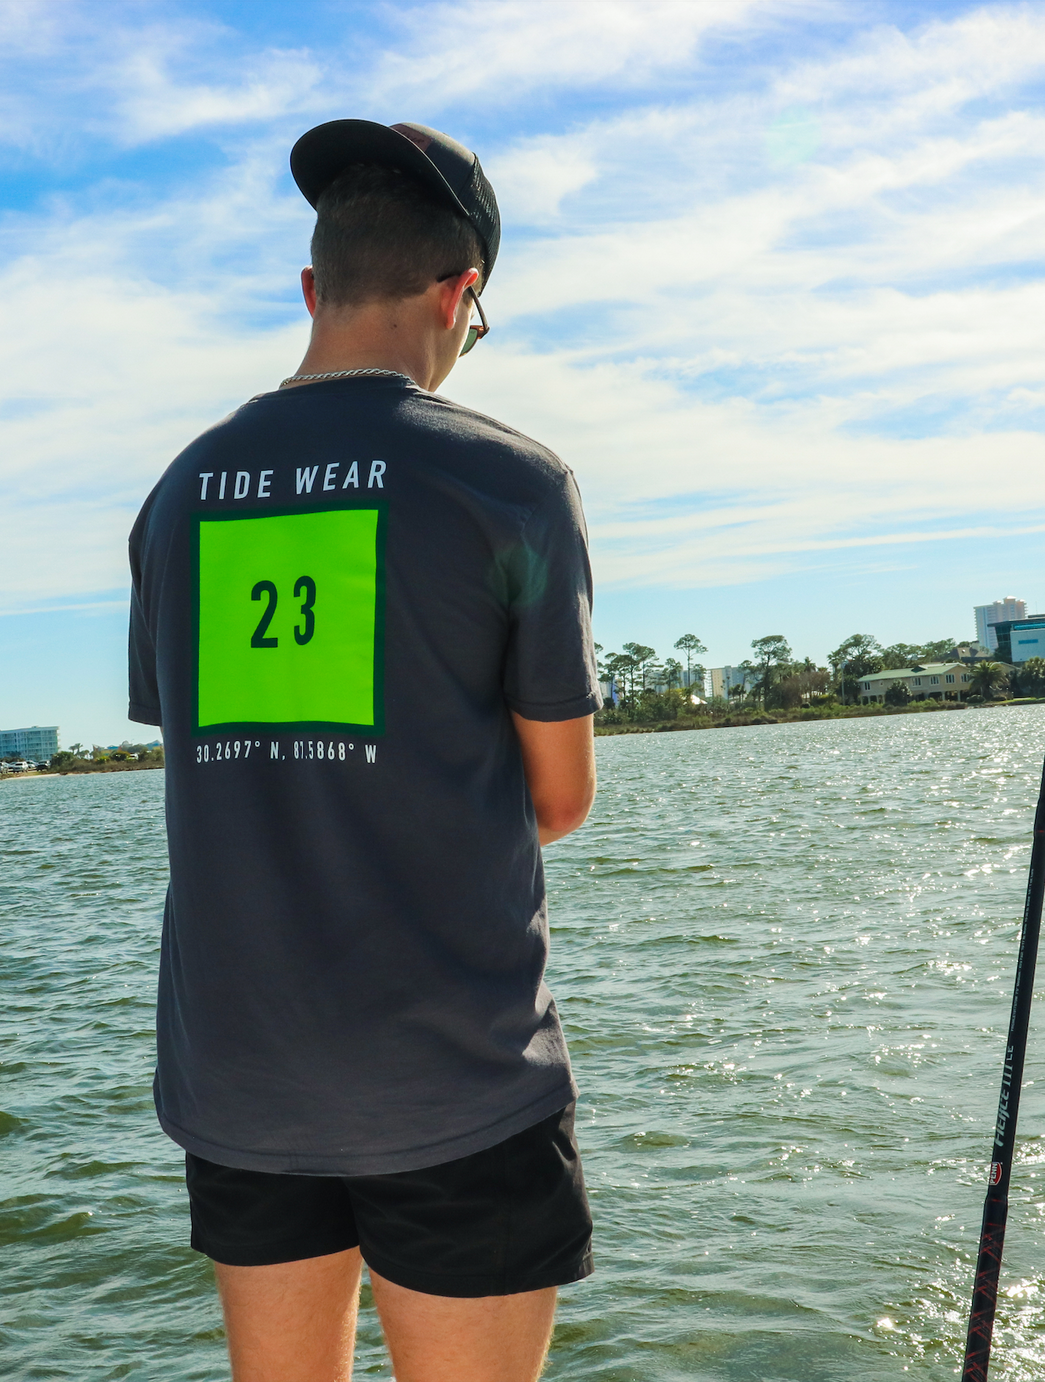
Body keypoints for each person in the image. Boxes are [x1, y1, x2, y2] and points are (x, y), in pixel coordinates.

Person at [126, 119, 602, 1382]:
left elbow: (237, 776)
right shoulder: (509, 482)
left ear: (310, 290)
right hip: (449, 1071)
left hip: (241, 1074)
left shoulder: (176, 495)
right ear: (462, 293)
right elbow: (559, 796)